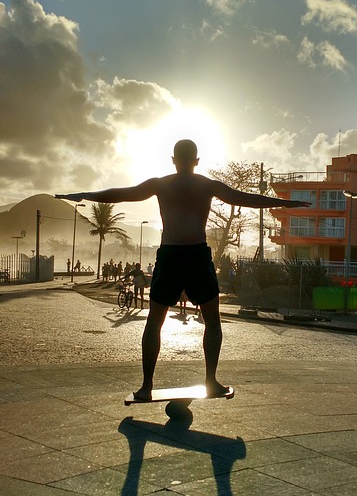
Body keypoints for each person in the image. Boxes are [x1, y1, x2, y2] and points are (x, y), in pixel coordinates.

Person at [56, 139, 309, 400]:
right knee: (211, 319)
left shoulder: (161, 184)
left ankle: (146, 386)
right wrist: (284, 204)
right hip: (196, 255)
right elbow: (244, 199)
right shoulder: (207, 185)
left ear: (174, 160)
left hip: (172, 254)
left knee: (155, 320)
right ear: (197, 161)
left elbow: (121, 193)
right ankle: (210, 381)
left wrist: (85, 195)